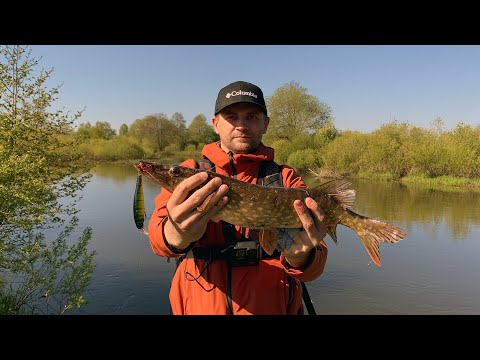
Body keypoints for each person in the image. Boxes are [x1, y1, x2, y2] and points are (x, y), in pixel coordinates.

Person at [148, 80, 328, 315]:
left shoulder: (286, 178)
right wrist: (176, 234)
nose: (241, 125)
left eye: (251, 116)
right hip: (199, 305)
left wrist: (301, 256)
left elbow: (314, 268)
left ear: (266, 124)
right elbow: (159, 242)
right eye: (231, 116)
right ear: (216, 124)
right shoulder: (190, 172)